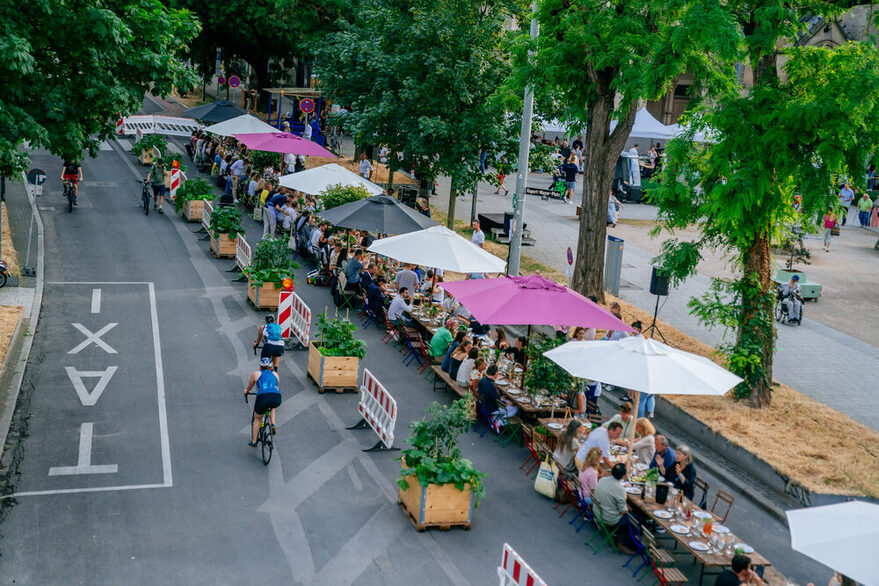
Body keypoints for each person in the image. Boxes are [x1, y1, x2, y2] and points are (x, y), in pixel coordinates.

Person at [592, 463, 636, 554]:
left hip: (597, 512)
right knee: (635, 521)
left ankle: (617, 534)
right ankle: (624, 543)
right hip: (609, 518)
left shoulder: (603, 479)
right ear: (623, 476)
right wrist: (628, 508)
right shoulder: (620, 489)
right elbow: (623, 511)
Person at [243, 358, 282, 446]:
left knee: (257, 418)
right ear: (271, 367)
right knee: (272, 406)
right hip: (276, 396)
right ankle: (272, 424)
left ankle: (254, 441)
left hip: (263, 396)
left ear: (260, 367)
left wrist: (246, 391)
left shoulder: (255, 374)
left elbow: (250, 387)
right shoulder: (275, 374)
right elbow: (277, 386)